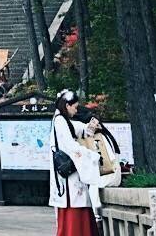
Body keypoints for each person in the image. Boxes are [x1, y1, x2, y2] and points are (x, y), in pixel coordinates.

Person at [49, 89, 106, 236]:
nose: (76, 109)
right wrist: (91, 155)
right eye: (74, 106)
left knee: (76, 204)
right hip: (69, 175)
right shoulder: (61, 121)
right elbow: (71, 146)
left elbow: (81, 128)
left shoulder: (62, 120)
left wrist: (91, 126)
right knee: (74, 207)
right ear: (67, 105)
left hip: (70, 173)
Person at [79, 108, 125, 219]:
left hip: (110, 174)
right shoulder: (104, 135)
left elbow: (107, 160)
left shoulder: (100, 138)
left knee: (92, 185)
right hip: (111, 173)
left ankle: (96, 215)